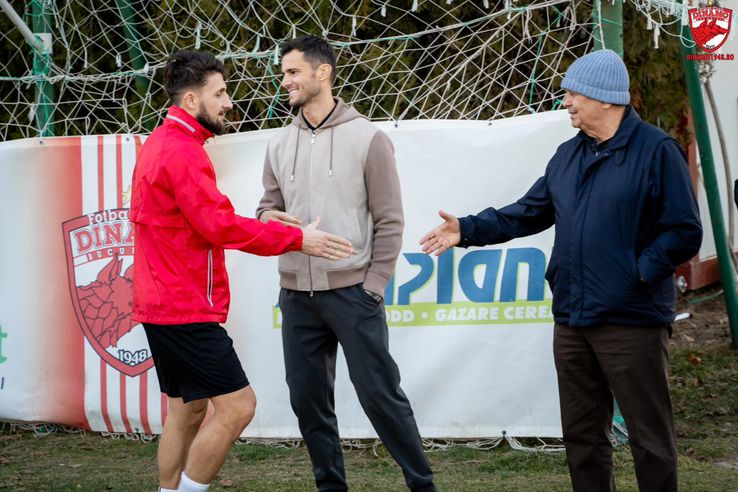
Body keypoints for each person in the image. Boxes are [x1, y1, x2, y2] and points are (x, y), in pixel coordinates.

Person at [420, 49, 702, 492]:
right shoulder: (567, 156)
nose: (566, 102)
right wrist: (467, 229)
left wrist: (637, 274)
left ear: (605, 98)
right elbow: (527, 213)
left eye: (573, 93)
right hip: (572, 319)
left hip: (632, 321)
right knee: (582, 437)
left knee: (649, 438)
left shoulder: (657, 151)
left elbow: (684, 231)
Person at [130, 50, 353, 492]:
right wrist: (297, 239)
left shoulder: (161, 141)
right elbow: (218, 225)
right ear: (192, 101)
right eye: (221, 93)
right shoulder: (181, 152)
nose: (228, 102)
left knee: (187, 409)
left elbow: (201, 220)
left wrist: (265, 223)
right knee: (238, 408)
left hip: (159, 304)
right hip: (184, 307)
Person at [256, 35, 436, 492]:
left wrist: (373, 284)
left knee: (381, 396)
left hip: (353, 294)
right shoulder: (278, 144)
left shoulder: (368, 138)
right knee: (307, 402)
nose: (285, 81)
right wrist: (267, 218)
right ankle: (330, 487)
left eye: (293, 72)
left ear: (323, 72)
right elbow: (265, 208)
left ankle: (423, 485)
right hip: (297, 296)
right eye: (283, 73)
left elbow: (391, 220)